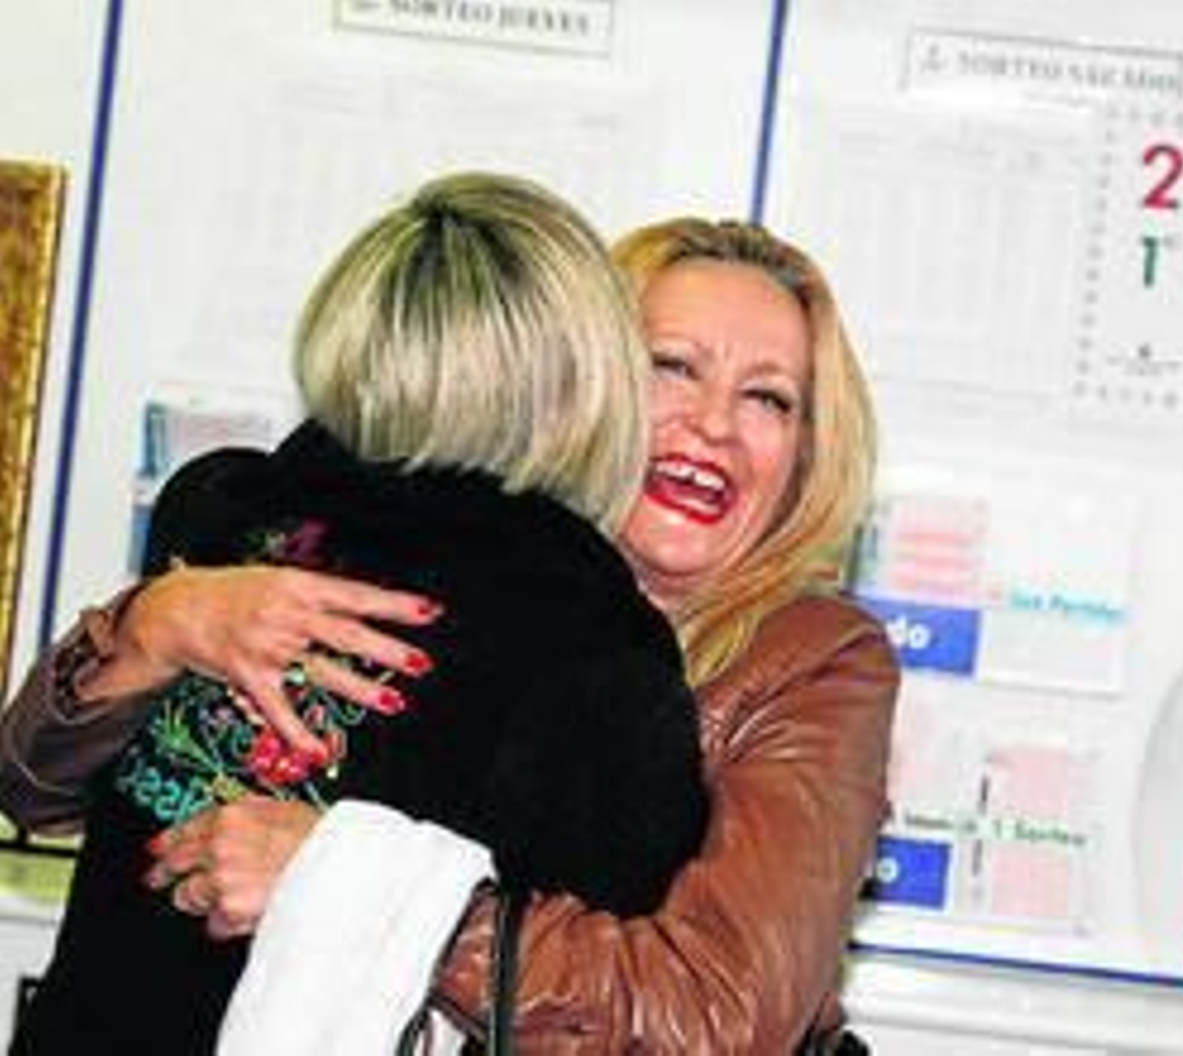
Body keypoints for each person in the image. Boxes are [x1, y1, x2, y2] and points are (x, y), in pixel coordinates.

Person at [0, 215, 899, 1053]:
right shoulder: (384, 543)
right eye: (671, 366)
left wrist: (349, 889)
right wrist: (153, 627)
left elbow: (722, 1015)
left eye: (770, 399)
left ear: (808, 454)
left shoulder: (814, 658)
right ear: (580, 376)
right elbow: (34, 789)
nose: (713, 424)